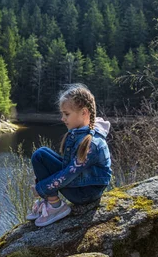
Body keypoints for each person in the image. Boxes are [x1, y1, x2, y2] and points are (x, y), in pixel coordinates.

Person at [27, 83, 112, 227]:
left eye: (66, 114)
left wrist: (42, 188)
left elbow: (68, 174)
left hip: (85, 193)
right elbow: (70, 169)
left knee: (42, 159)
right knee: (40, 155)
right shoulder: (79, 133)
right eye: (62, 114)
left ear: (84, 112)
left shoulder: (93, 144)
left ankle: (55, 206)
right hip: (80, 183)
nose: (62, 118)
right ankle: (50, 201)